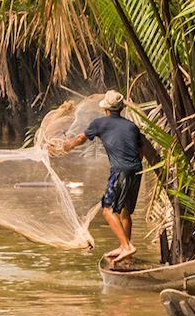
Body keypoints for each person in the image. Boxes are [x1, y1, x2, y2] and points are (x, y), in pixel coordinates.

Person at [50, 91, 148, 267]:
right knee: (125, 211)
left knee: (107, 210)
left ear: (106, 110)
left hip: (120, 171)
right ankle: (125, 251)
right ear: (121, 109)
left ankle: (126, 246)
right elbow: (140, 151)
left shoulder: (100, 123)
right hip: (136, 170)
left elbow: (81, 138)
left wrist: (66, 147)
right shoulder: (131, 126)